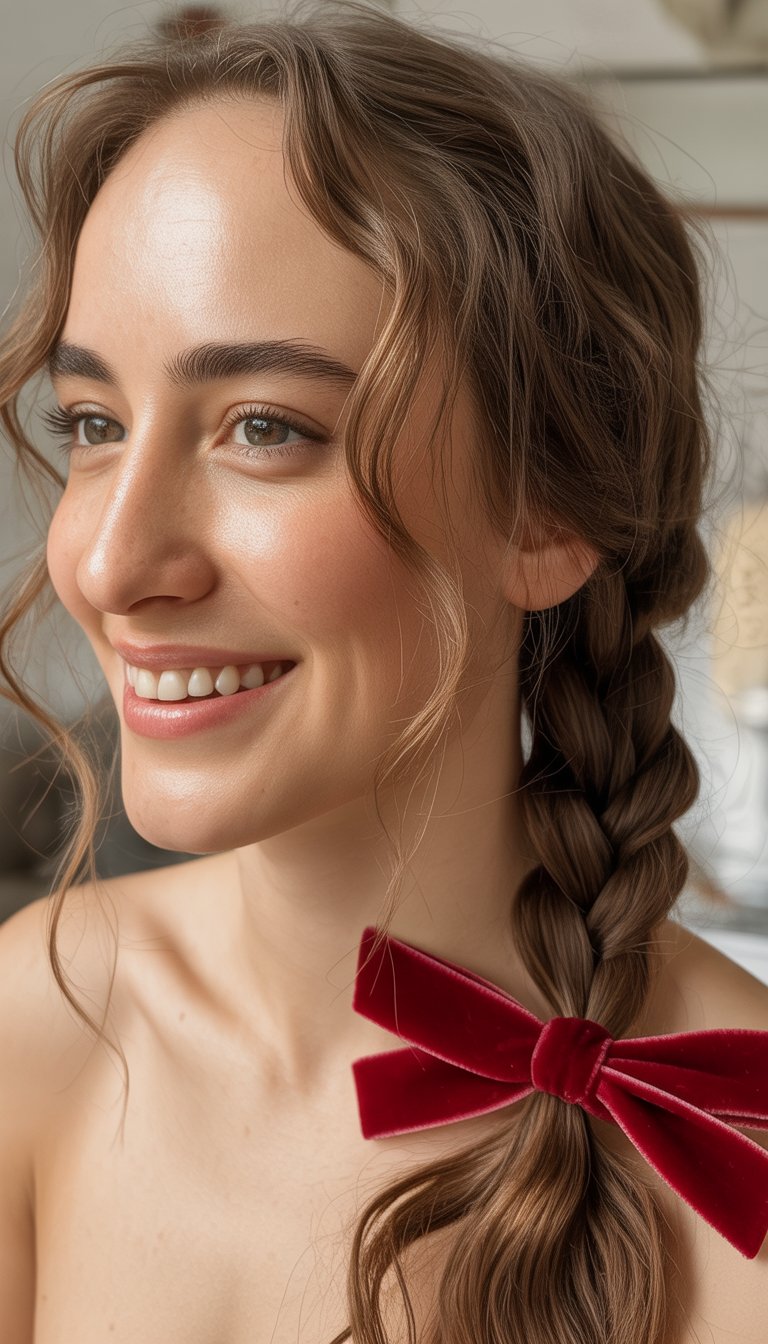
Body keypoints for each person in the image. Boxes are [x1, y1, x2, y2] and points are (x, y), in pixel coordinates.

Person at [0, 2, 766, 1341]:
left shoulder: (730, 1140)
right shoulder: (30, 1031)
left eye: (263, 427)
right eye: (94, 424)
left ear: (541, 512)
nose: (113, 565)